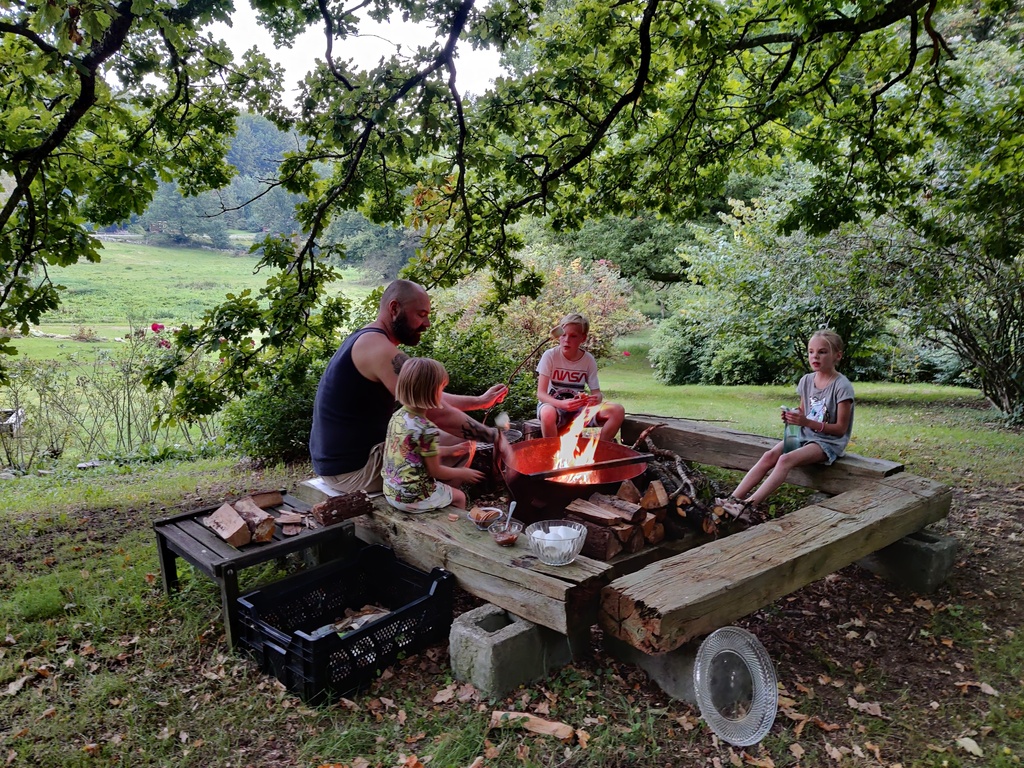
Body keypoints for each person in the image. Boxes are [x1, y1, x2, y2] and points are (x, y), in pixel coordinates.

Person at [309, 279, 508, 494]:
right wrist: (493, 436)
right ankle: (431, 504)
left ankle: (433, 496)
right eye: (421, 315)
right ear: (394, 309)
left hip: (345, 461)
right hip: (354, 470)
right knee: (461, 443)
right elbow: (436, 412)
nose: (427, 324)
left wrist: (480, 402)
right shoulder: (380, 350)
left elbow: (427, 397)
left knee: (451, 440)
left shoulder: (370, 338)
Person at [719, 330, 855, 520]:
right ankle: (732, 500)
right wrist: (793, 416)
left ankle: (747, 507)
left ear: (837, 356)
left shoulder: (842, 386)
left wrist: (806, 422)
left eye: (822, 352)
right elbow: (803, 410)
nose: (815, 356)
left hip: (827, 443)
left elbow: (840, 429)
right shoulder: (807, 380)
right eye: (811, 352)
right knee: (769, 456)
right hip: (805, 434)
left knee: (784, 459)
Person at [381, 358, 484, 511]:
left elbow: (413, 452)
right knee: (460, 497)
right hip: (412, 497)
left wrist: (451, 451)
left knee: (441, 489)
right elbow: (436, 471)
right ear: (432, 391)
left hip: (391, 491)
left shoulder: (398, 416)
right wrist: (462, 473)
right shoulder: (427, 429)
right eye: (442, 389)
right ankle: (455, 524)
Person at [536, 312, 625, 442]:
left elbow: (597, 393)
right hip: (554, 406)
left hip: (579, 410)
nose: (567, 340)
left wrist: (595, 399)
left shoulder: (588, 360)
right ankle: (552, 450)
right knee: (547, 413)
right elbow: (541, 394)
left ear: (583, 338)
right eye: (563, 335)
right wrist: (561, 404)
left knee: (617, 410)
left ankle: (601, 449)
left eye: (573, 336)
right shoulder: (550, 356)